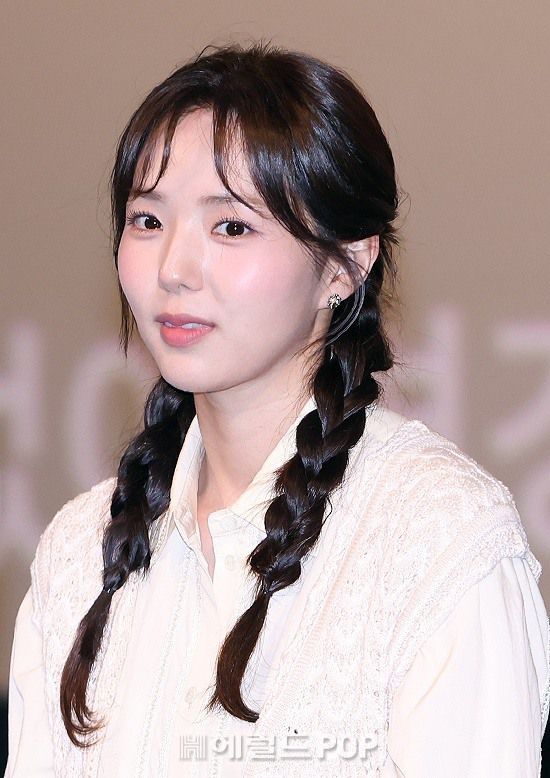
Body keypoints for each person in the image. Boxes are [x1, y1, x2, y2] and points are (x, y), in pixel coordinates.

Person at [4, 41, 549, 777]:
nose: (173, 269)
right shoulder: (79, 551)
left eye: (231, 227)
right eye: (147, 220)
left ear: (346, 264)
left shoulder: (439, 539)